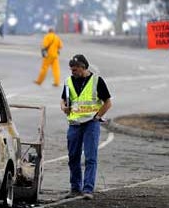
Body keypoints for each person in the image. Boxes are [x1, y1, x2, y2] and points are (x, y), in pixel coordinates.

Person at [60, 54, 112, 200]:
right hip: (74, 124)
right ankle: (75, 188)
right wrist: (64, 107)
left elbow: (108, 102)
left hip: (91, 124)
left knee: (90, 158)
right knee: (73, 157)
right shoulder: (69, 81)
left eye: (75, 70)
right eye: (71, 70)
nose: (73, 73)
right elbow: (63, 100)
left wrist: (97, 117)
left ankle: (88, 189)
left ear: (83, 68)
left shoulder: (97, 81)